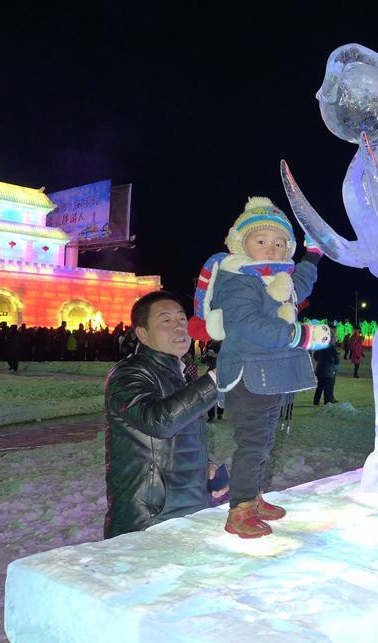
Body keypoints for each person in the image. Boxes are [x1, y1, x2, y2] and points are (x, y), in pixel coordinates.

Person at [211, 197, 330, 539]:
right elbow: (247, 324)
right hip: (247, 375)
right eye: (261, 241)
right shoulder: (238, 278)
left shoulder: (276, 278)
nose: (272, 249)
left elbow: (301, 284)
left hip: (269, 376)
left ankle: (254, 496)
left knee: (264, 441)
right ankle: (240, 510)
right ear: (241, 243)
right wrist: (299, 334)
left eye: (280, 244)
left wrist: (313, 255)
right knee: (252, 442)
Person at [104, 291, 225, 539]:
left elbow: (173, 438)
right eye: (166, 321)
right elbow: (159, 421)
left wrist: (204, 466)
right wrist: (216, 379)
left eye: (182, 319)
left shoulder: (178, 372)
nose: (179, 326)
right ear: (142, 333)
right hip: (149, 519)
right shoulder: (129, 373)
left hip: (188, 510)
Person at [313, 336, 340, 405]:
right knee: (328, 386)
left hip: (320, 369)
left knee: (320, 386)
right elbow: (336, 359)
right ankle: (327, 401)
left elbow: (315, 356)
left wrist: (320, 360)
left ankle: (316, 401)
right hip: (328, 369)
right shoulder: (331, 348)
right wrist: (335, 361)